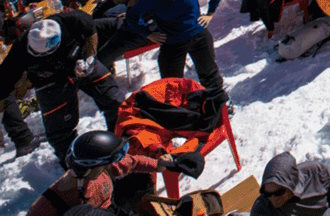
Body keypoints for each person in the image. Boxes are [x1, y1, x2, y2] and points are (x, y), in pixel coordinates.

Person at [0, 12, 120, 164]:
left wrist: (90, 57)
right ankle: (76, 165)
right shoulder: (20, 50)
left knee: (114, 100)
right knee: (59, 134)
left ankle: (120, 139)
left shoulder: (71, 20)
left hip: (80, 63)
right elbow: (3, 83)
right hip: (50, 81)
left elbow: (91, 31)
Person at [27, 130, 191, 216]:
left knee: (141, 180)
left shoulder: (101, 171)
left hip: (112, 208)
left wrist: (162, 164)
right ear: (94, 168)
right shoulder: (51, 203)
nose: (114, 163)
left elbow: (133, 162)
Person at [123, 0, 225, 97]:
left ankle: (219, 103)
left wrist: (210, 14)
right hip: (172, 43)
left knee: (209, 74)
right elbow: (131, 18)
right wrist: (148, 34)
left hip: (199, 37)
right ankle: (180, 111)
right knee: (171, 84)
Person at [251, 152, 330, 216]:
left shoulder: (318, 174)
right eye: (267, 194)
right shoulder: (262, 209)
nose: (273, 198)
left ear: (291, 185)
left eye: (279, 192)